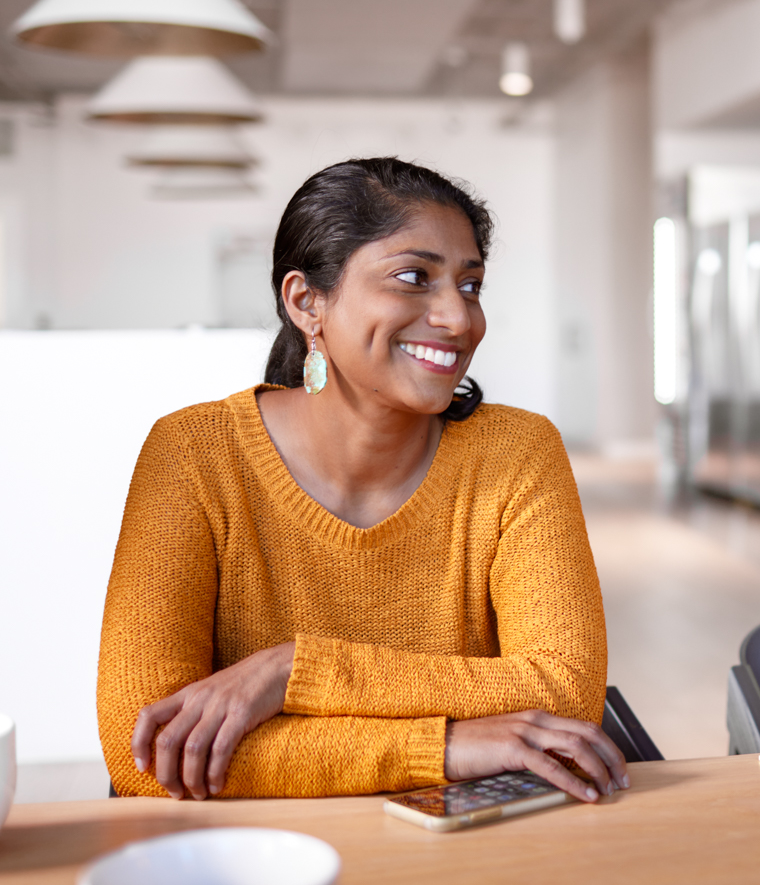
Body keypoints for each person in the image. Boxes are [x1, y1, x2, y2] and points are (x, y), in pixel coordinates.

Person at [97, 157, 628, 802]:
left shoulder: (517, 451)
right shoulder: (194, 455)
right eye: (413, 278)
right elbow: (148, 751)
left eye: (470, 285)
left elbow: (562, 689)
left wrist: (293, 672)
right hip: (254, 865)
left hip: (467, 861)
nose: (459, 321)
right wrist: (448, 746)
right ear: (307, 302)